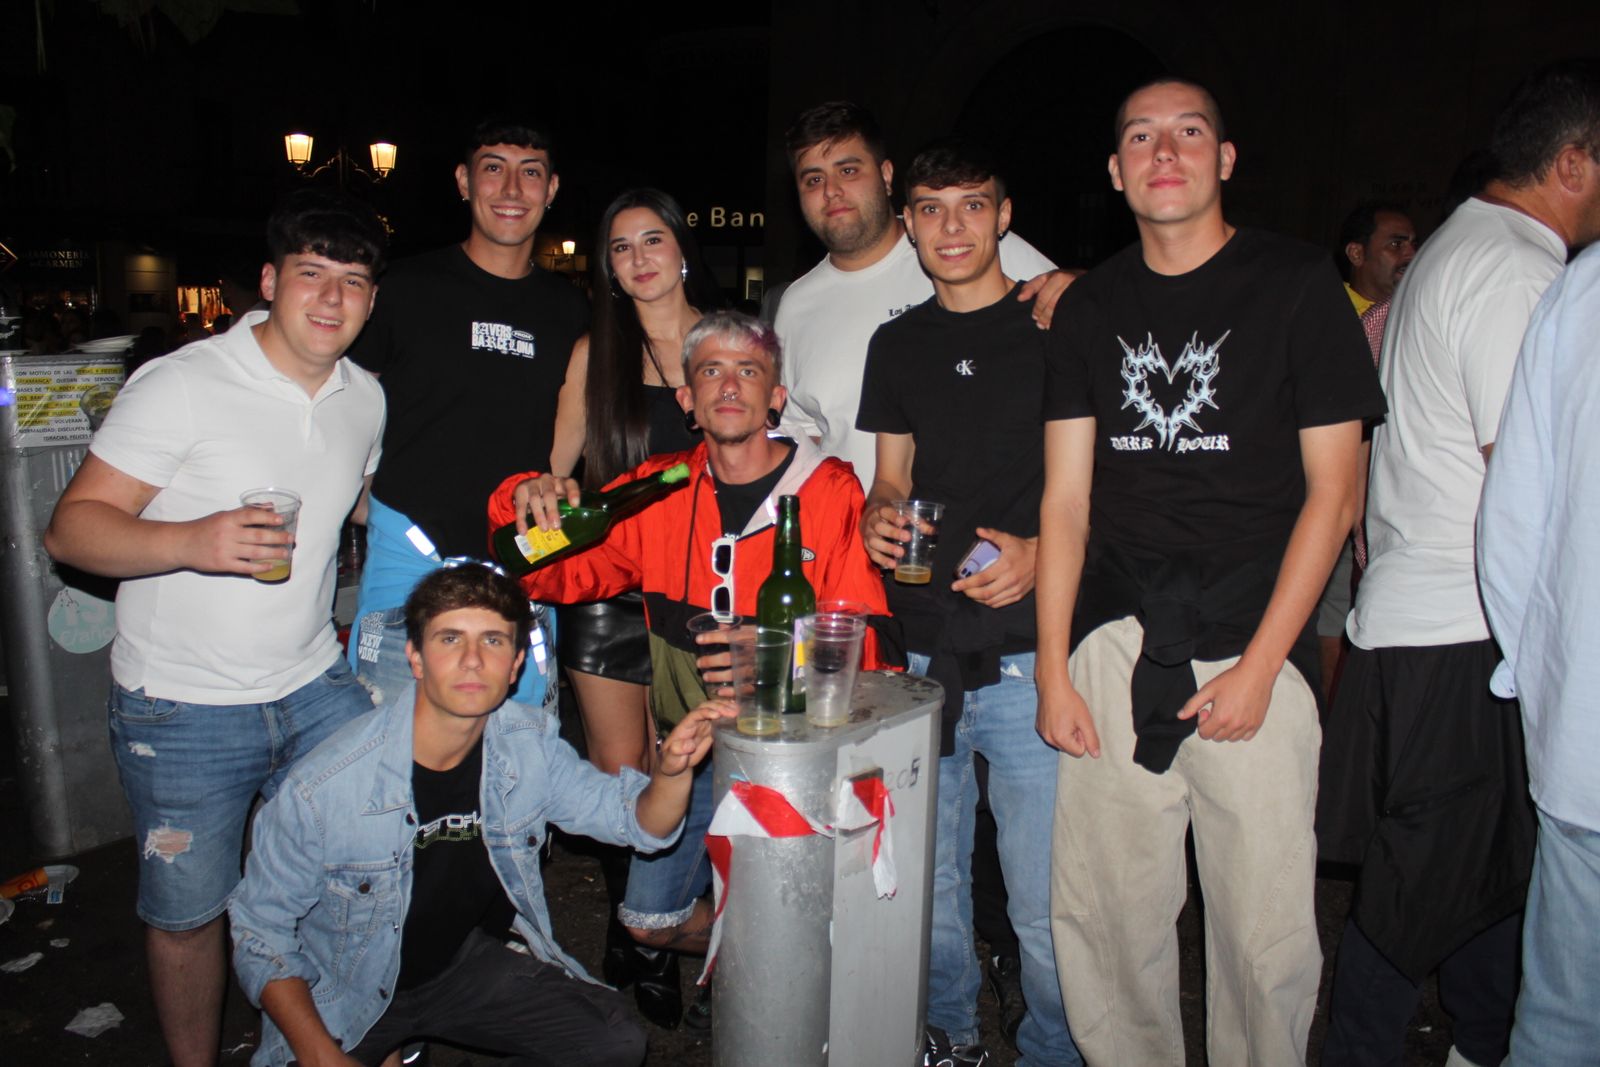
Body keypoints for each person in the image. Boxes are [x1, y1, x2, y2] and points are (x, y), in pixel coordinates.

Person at [1035, 77, 1383, 1066]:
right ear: (1114, 171)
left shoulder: (1295, 283)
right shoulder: (1091, 305)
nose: (1165, 152)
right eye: (1140, 136)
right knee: (1105, 914)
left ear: (1224, 158)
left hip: (1251, 637)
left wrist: (1267, 662)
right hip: (1115, 641)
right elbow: (1065, 501)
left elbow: (1335, 492)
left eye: (1190, 133)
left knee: (1264, 928)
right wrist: (1055, 669)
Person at [42, 189, 388, 1067]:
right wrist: (194, 541)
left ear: (371, 300)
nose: (331, 297)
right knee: (190, 913)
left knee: (351, 876)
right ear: (270, 282)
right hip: (183, 707)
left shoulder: (365, 397)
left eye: (352, 281)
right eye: (311, 273)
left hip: (313, 686)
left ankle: (309, 1044)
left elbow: (359, 506)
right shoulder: (182, 383)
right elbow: (72, 528)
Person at [489, 310, 897, 1022]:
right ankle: (760, 956)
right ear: (686, 398)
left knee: (810, 903)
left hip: (792, 755)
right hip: (697, 752)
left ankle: (789, 979)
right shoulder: (659, 488)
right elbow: (550, 572)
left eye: (749, 371)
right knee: (647, 921)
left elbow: (859, 647)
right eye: (710, 371)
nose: (729, 386)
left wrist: (780, 655)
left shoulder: (830, 490)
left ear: (777, 396)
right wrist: (525, 495)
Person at [1319, 58, 1600, 1067]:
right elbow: (1526, 475)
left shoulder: (1462, 246)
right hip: (1459, 625)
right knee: (1413, 891)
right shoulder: (1514, 269)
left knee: (1486, 874)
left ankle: (1484, 1038)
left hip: (1433, 617)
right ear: (1571, 163)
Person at [230, 563, 736, 1066]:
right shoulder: (324, 788)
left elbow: (637, 824)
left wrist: (671, 773)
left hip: (454, 969)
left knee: (613, 1042)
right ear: (415, 657)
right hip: (345, 992)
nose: (472, 660)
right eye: (450, 639)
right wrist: (320, 1055)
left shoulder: (527, 746)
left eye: (493, 641)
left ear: (516, 664)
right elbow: (260, 933)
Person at [856, 138, 1079, 1067]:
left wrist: (1040, 550)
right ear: (907, 223)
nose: (953, 227)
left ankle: (1057, 1049)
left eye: (972, 206)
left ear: (1004, 213)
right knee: (926, 880)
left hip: (1034, 656)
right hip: (921, 658)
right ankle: (948, 1035)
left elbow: (1103, 484)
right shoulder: (897, 342)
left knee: (1044, 892)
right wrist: (878, 516)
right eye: (932, 209)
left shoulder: (1057, 327)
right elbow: (892, 477)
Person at [545, 187, 720, 1025]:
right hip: (611, 597)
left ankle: (656, 929)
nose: (639, 258)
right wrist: (541, 492)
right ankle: (640, 938)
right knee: (630, 780)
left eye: (654, 240)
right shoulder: (594, 354)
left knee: (701, 770)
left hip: (705, 597)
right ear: (607, 268)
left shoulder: (727, 342)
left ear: (683, 251)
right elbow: (555, 468)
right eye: (620, 248)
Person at [346, 115, 588, 713]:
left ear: (550, 190)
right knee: (394, 751)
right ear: (463, 182)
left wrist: (542, 500)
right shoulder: (404, 287)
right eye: (493, 170)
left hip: (521, 556)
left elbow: (570, 425)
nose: (511, 189)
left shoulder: (570, 309)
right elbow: (349, 398)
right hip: (411, 553)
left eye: (530, 174)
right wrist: (354, 491)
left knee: (520, 755)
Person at [774, 100, 1067, 492]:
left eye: (848, 170)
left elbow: (1075, 307)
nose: (831, 191)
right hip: (863, 538)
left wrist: (1077, 280)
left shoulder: (962, 245)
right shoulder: (795, 306)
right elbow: (800, 435)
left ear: (886, 174)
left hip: (999, 533)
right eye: (813, 179)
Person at [1479, 242, 1600, 1067]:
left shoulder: (1582, 286)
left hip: (1584, 727)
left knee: (1562, 1016)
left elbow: (1514, 516)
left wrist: (1544, 679)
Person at [1313, 202, 1419, 700]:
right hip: (1338, 495)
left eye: (1412, 243)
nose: (1409, 255)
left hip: (1380, 505)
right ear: (1356, 253)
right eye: (1395, 244)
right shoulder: (1331, 314)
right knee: (1334, 615)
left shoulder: (1411, 314)